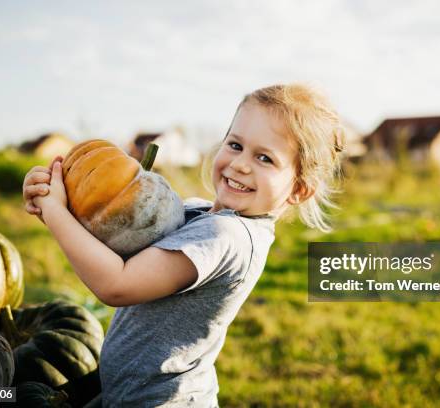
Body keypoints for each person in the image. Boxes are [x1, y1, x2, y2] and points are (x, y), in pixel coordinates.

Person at [22, 83, 345, 407]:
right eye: (235, 145)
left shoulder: (225, 237)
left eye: (264, 158)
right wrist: (55, 206)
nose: (240, 164)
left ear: (299, 190)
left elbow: (116, 284)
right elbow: (113, 255)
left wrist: (56, 213)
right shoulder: (195, 212)